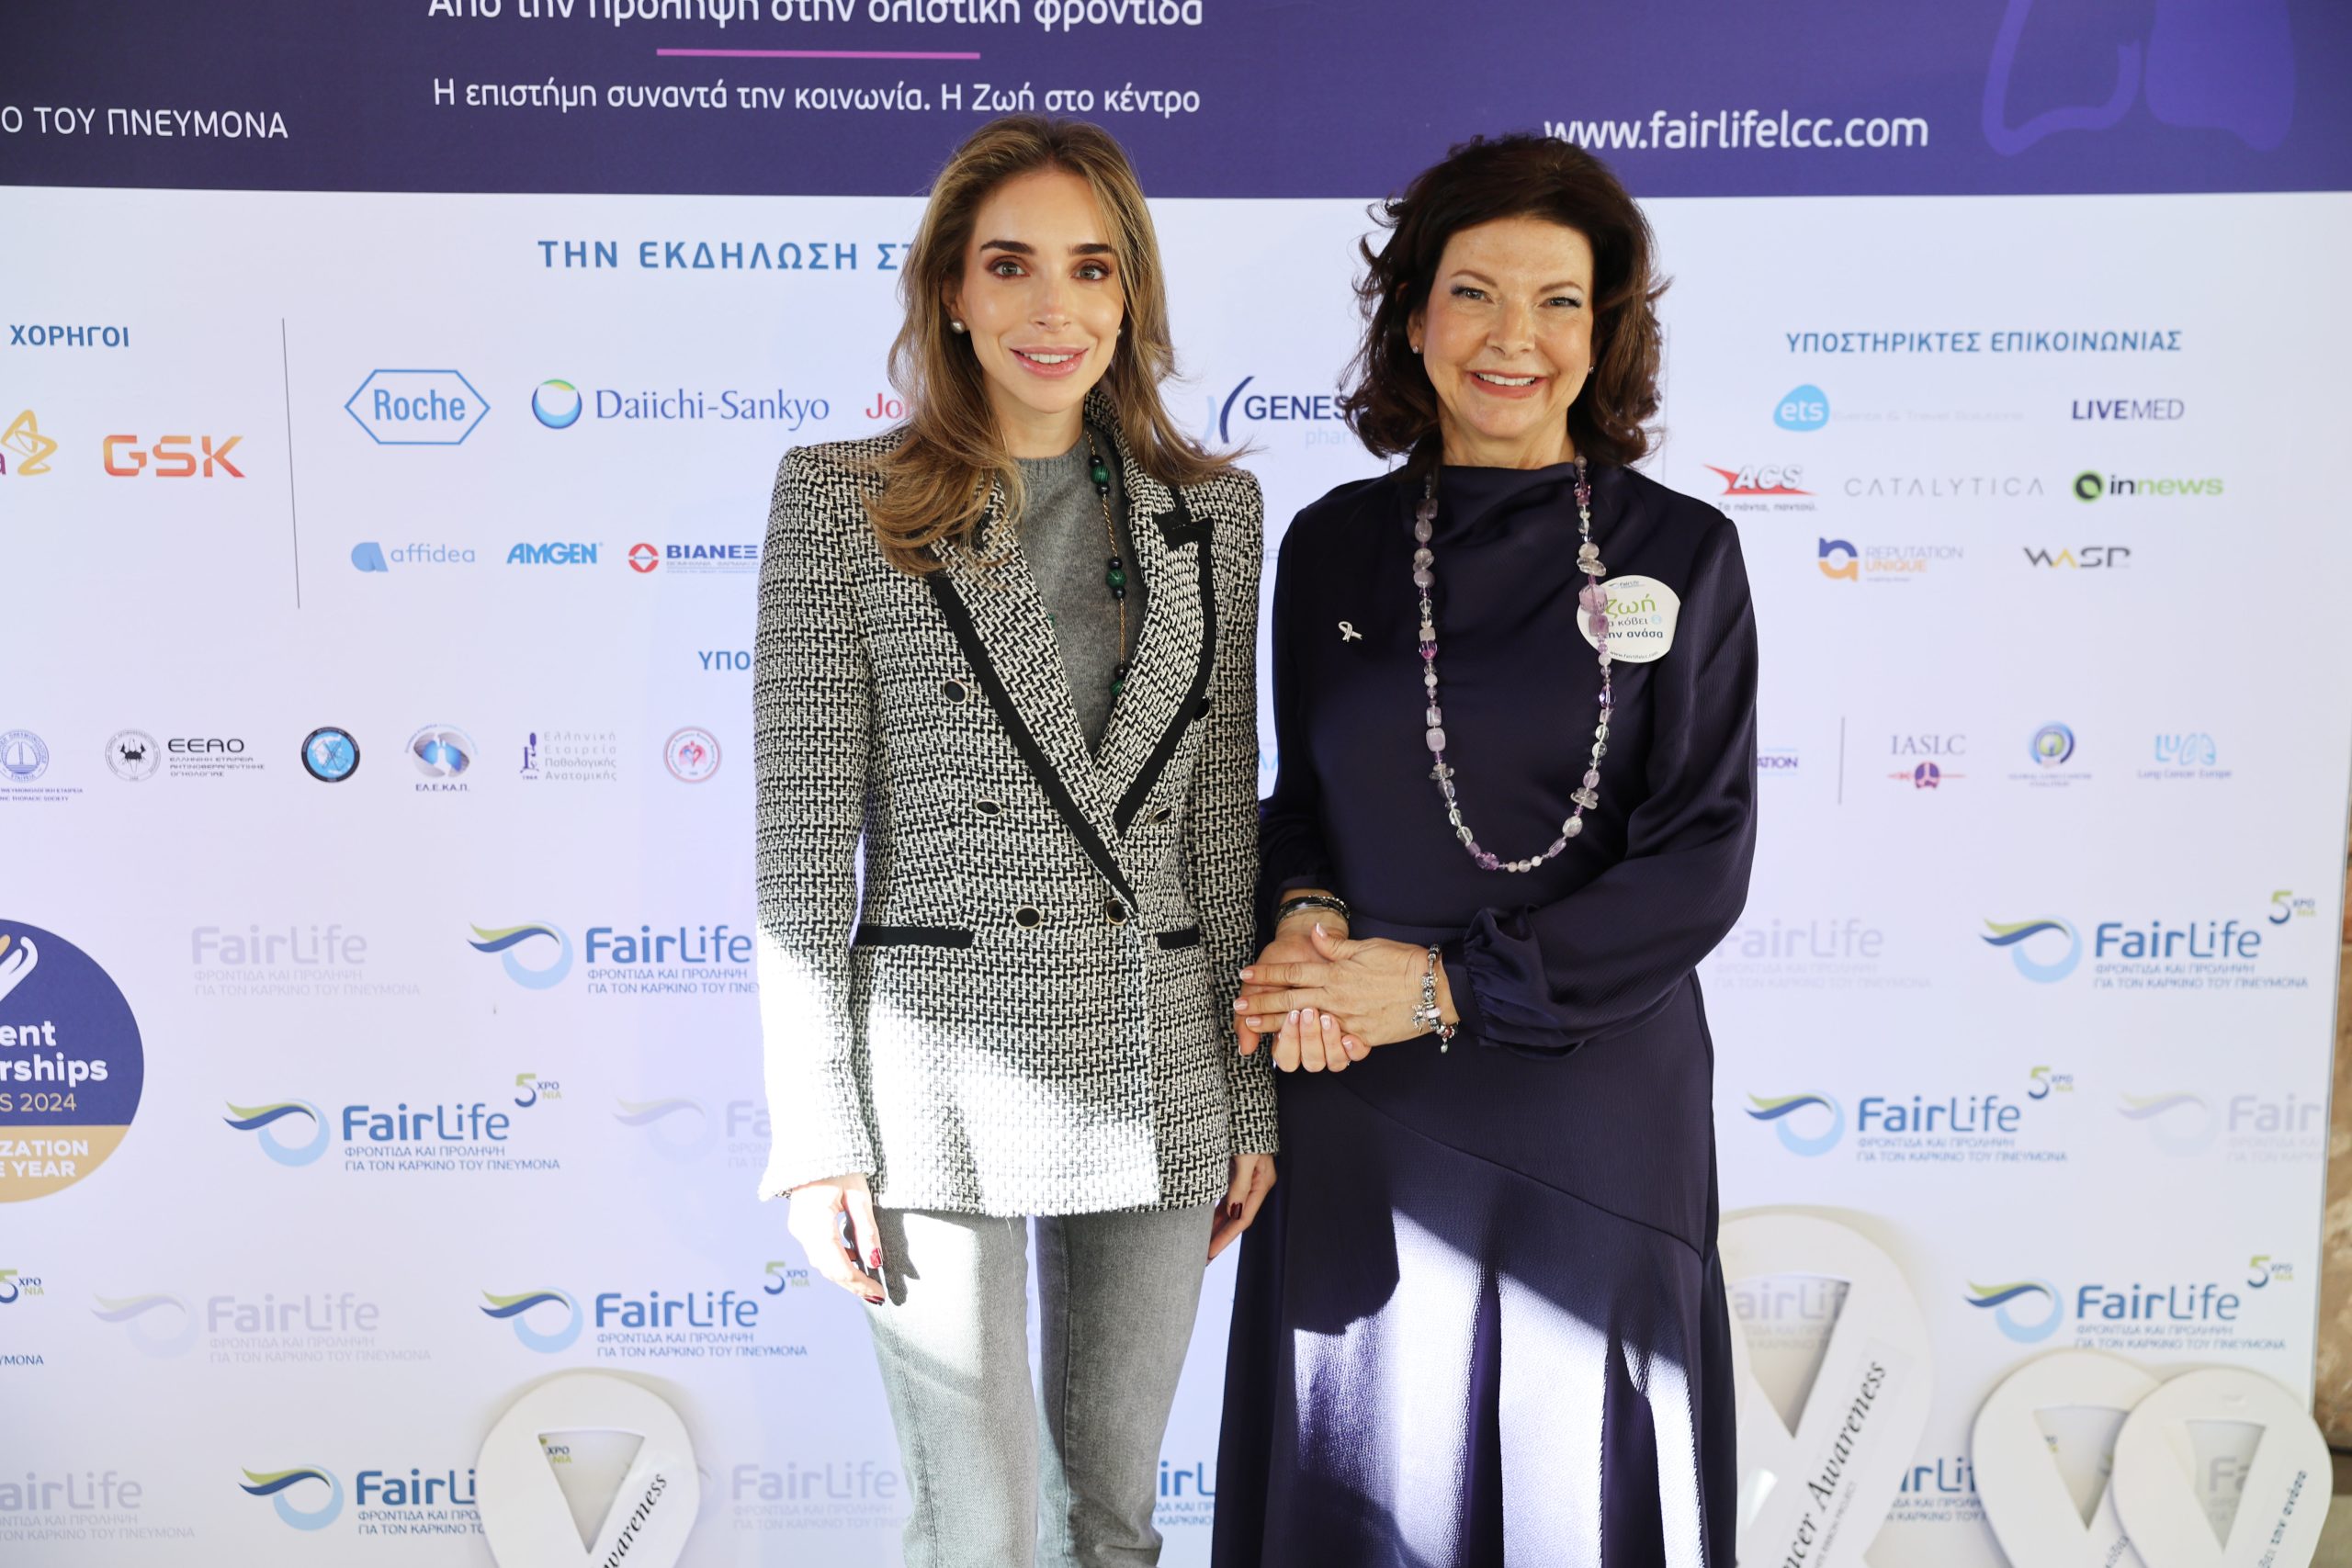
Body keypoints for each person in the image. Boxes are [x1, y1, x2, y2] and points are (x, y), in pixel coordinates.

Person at [1213, 134, 1757, 1567]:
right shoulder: (1331, 549)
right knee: (1361, 1485)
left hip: (1593, 1099)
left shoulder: (1685, 552)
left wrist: (1446, 987)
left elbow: (1700, 854)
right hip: (1357, 1089)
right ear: (1412, 318)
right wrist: (1308, 923)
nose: (1515, 337)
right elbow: (1303, 799)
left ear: (1605, 329)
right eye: (1474, 293)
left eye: (1559, 301)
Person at [752, 116, 1278, 1568]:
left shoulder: (1213, 517)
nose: (1055, 307)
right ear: (952, 290)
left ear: (1131, 294)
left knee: (1113, 1522)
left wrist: (1249, 1100)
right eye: (1011, 265)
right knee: (976, 1526)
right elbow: (800, 853)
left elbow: (1218, 826)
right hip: (938, 1071)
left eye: (1092, 268)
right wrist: (817, 1140)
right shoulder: (841, 500)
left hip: (1161, 1055)